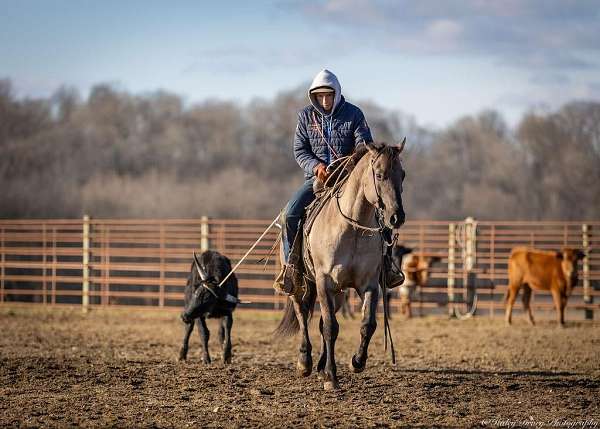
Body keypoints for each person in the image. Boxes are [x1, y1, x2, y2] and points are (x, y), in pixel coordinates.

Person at [274, 69, 403, 295]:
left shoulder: (354, 114)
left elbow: (365, 147)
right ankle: (291, 268)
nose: (324, 100)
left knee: (381, 210)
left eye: (328, 95)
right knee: (290, 214)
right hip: (317, 179)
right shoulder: (305, 117)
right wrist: (316, 167)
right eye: (320, 96)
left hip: (349, 179)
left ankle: (386, 267)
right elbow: (299, 150)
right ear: (313, 96)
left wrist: (347, 165)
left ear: (337, 94)